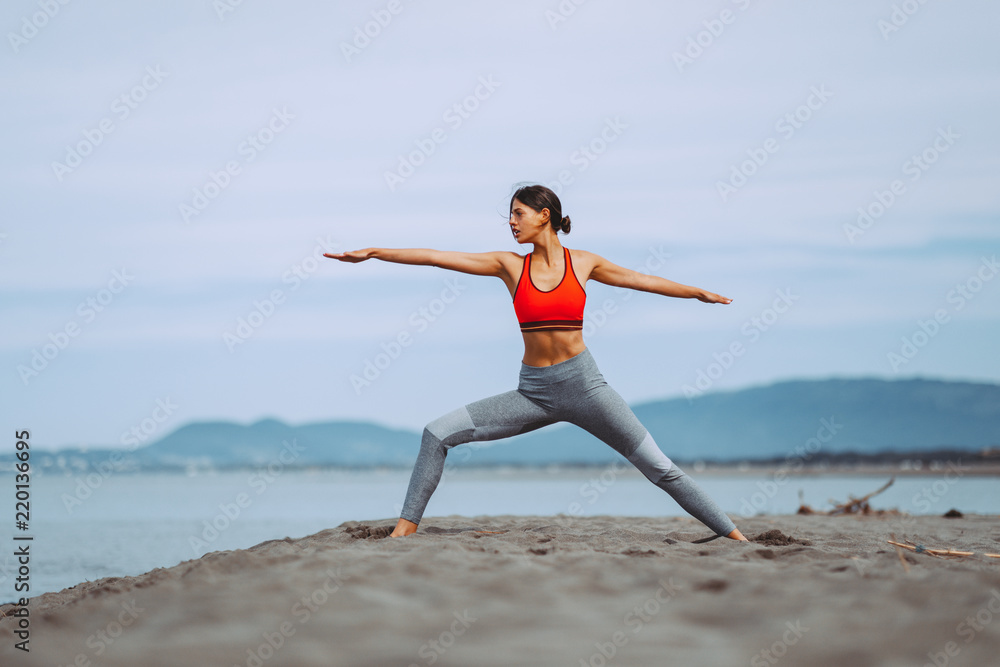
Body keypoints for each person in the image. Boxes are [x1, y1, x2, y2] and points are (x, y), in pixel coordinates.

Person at [324, 184, 748, 541]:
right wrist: (377, 252)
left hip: (587, 388)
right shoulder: (508, 266)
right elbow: (438, 255)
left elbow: (642, 280)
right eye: (510, 215)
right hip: (534, 393)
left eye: (518, 213)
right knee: (436, 433)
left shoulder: (584, 263)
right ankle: (403, 534)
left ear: (544, 216)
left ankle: (735, 537)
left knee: (659, 466)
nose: (511, 222)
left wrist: (698, 293)